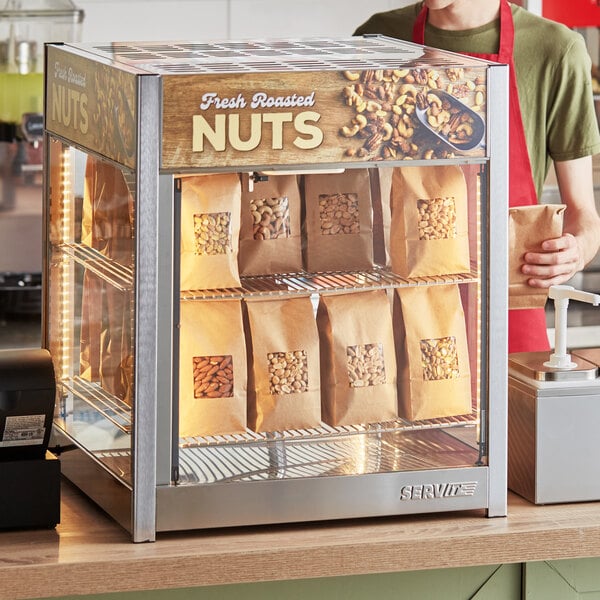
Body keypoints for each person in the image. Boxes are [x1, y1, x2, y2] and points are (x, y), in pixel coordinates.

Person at [355, 0, 600, 353]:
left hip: (508, 307)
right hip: (402, 304)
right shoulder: (378, 39)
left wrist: (574, 252)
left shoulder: (555, 50)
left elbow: (584, 216)